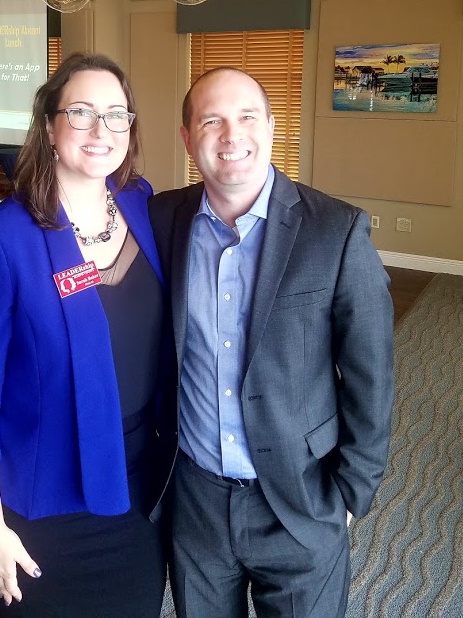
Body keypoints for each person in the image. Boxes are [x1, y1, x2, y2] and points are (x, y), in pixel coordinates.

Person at [149, 66, 394, 618]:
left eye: (246, 117)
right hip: (197, 503)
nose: (231, 135)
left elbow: (371, 375)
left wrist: (352, 492)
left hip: (301, 499)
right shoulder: (163, 218)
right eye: (211, 121)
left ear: (272, 126)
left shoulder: (335, 230)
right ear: (187, 138)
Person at [0, 52, 171, 618]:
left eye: (116, 114)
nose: (100, 129)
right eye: (81, 112)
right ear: (48, 127)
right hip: (38, 513)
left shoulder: (143, 207)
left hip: (139, 495)